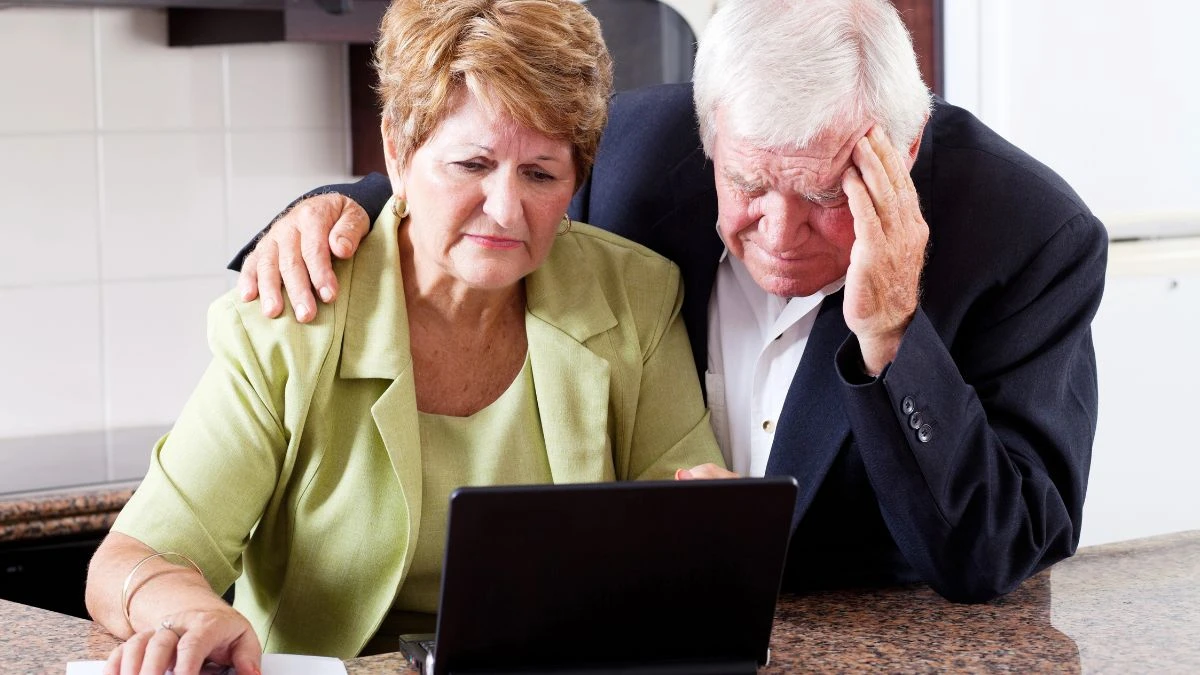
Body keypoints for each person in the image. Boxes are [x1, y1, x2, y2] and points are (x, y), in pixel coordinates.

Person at [239, 0, 1107, 604]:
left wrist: (892, 332)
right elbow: (477, 188)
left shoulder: (1031, 238)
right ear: (709, 133)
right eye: (750, 183)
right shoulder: (632, 156)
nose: (781, 232)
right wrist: (342, 203)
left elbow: (997, 551)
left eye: (828, 195)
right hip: (635, 624)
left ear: (905, 150)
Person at [84, 0, 726, 672]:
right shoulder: (297, 317)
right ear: (398, 149)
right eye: (472, 164)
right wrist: (189, 609)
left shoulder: (634, 295)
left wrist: (707, 532)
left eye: (540, 173)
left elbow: (687, 527)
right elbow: (132, 558)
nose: (506, 209)